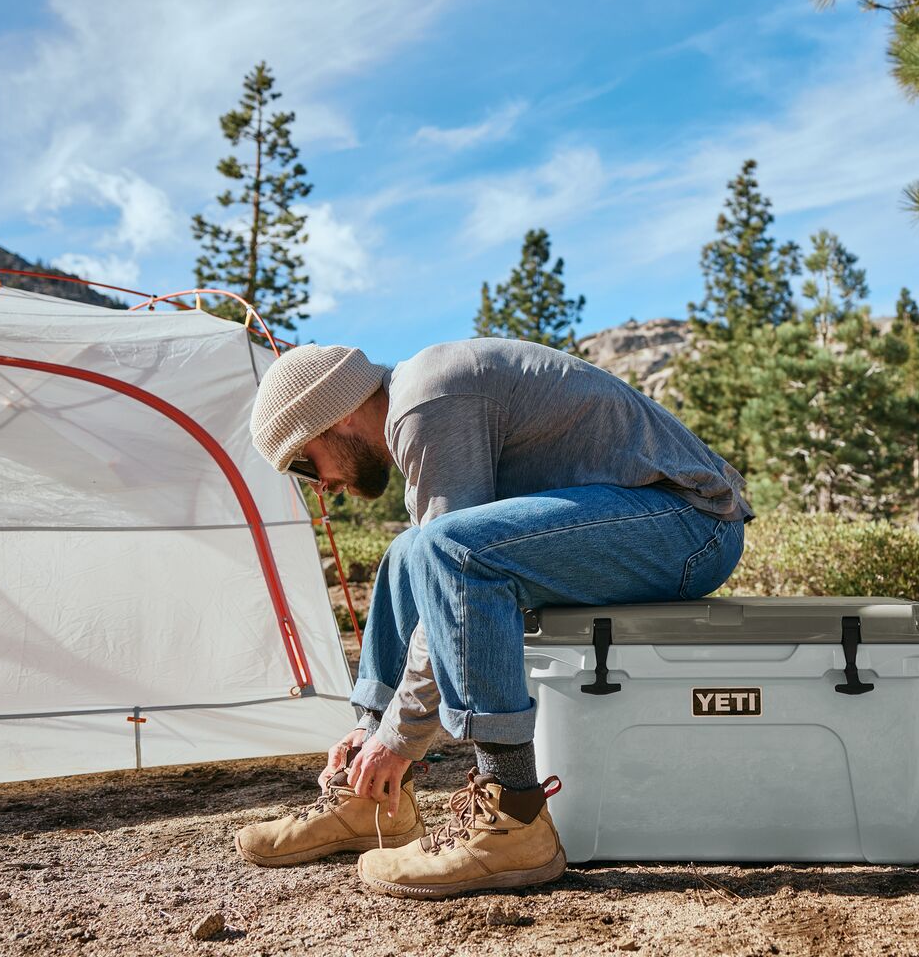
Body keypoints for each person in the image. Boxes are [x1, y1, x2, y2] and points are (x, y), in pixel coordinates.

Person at [233, 338, 752, 897]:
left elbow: (454, 577)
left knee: (450, 551)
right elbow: (430, 573)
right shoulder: (419, 398)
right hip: (651, 522)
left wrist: (400, 737)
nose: (322, 487)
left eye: (307, 463)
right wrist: (373, 731)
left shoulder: (425, 403)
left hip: (691, 524)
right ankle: (372, 798)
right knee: (408, 553)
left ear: (338, 413)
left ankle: (514, 818)